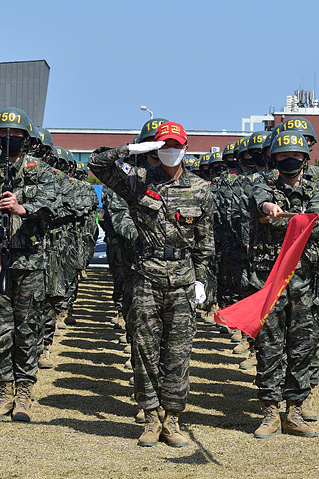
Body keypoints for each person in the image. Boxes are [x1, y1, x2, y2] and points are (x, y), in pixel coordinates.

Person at [88, 121, 214, 448]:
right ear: (155, 148)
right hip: (147, 274)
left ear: (185, 148)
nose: (171, 151)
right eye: (164, 145)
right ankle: (150, 416)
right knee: (143, 347)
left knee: (178, 351)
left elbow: (205, 244)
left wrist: (202, 281)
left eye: (176, 145)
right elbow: (96, 164)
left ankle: (172, 419)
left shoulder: (201, 189)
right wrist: (129, 151)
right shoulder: (138, 182)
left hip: (184, 279)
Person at [0, 107, 56, 423]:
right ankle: (4, 391)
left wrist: (24, 209)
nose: (9, 139)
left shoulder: (42, 171)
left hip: (30, 261)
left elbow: (58, 202)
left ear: (27, 139)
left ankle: (24, 394)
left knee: (27, 328)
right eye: (3, 135)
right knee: (1, 328)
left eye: (16, 135)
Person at [248, 130, 319, 439]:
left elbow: (317, 219)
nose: (288, 161)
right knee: (269, 343)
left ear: (305, 159)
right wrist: (269, 211)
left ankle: (294, 410)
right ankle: (269, 410)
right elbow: (262, 204)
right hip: (271, 276)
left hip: (306, 278)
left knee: (303, 344)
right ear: (274, 160)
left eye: (293, 157)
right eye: (282, 157)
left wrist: (283, 219)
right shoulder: (263, 184)